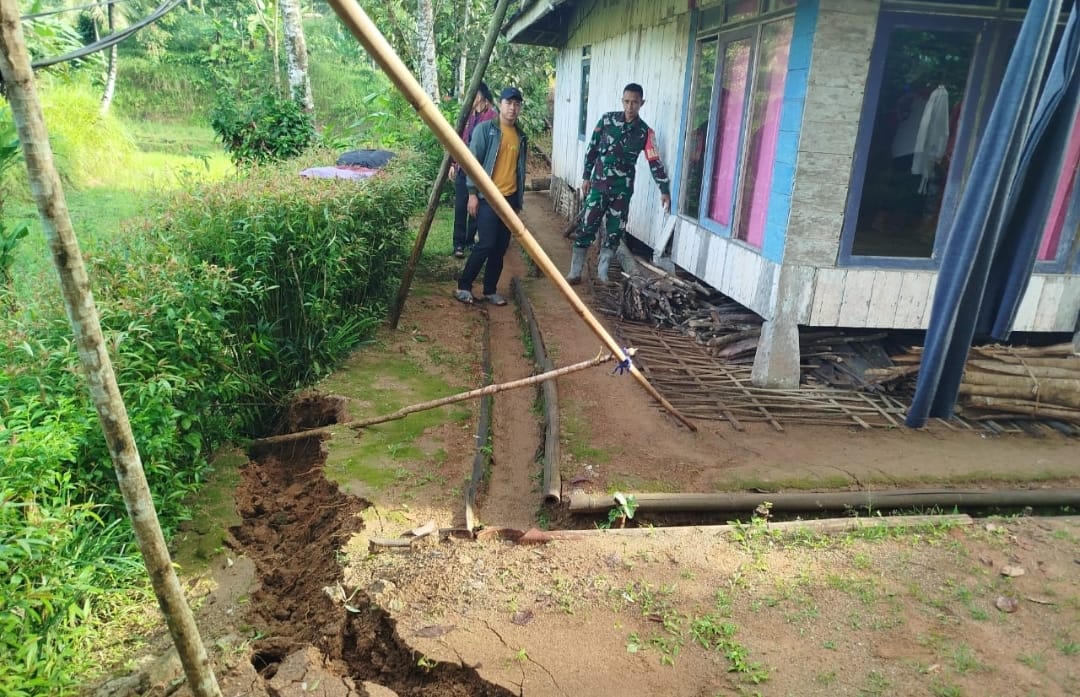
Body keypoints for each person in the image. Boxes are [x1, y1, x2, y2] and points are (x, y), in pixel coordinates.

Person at [568, 83, 671, 284]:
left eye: (634, 102)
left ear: (642, 103)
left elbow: (654, 161)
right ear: (622, 101)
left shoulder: (644, 132)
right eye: (626, 101)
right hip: (598, 186)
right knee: (587, 226)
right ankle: (575, 271)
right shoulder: (607, 120)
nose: (630, 106)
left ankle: (602, 272)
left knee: (615, 231)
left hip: (622, 191)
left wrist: (664, 189)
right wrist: (586, 176)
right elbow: (592, 149)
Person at [454, 86, 528, 307]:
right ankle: (463, 286)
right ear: (500, 104)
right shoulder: (486, 130)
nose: (512, 108)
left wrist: (517, 201)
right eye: (508, 103)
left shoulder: (520, 136)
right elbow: (473, 164)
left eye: (516, 104)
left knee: (500, 246)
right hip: (487, 198)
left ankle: (489, 289)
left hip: (509, 199)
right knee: (485, 243)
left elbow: (519, 169)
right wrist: (472, 194)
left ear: (520, 108)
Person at [450, 82, 498, 258]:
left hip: (482, 172)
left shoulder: (492, 118)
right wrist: (454, 163)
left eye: (475, 94)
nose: (472, 98)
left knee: (476, 208)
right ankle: (458, 244)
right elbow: (460, 141)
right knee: (461, 206)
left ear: (482, 96)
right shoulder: (469, 117)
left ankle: (470, 241)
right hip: (464, 168)